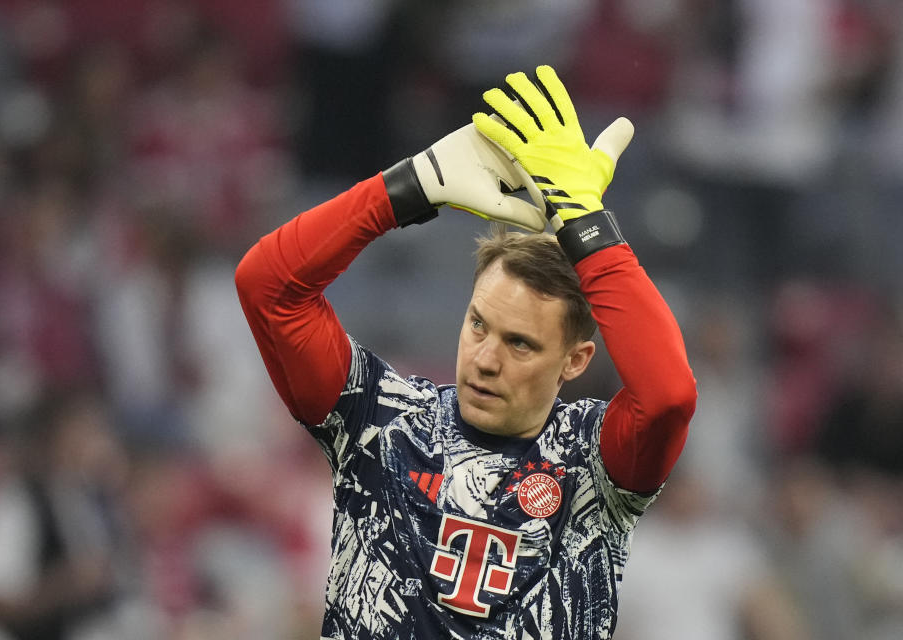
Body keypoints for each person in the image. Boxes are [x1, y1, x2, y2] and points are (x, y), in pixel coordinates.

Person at [235, 65, 697, 640]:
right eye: (479, 325)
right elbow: (268, 286)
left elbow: (669, 395)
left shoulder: (594, 466)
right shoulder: (378, 417)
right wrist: (409, 186)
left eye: (520, 344)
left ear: (575, 361)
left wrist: (584, 219)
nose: (485, 358)